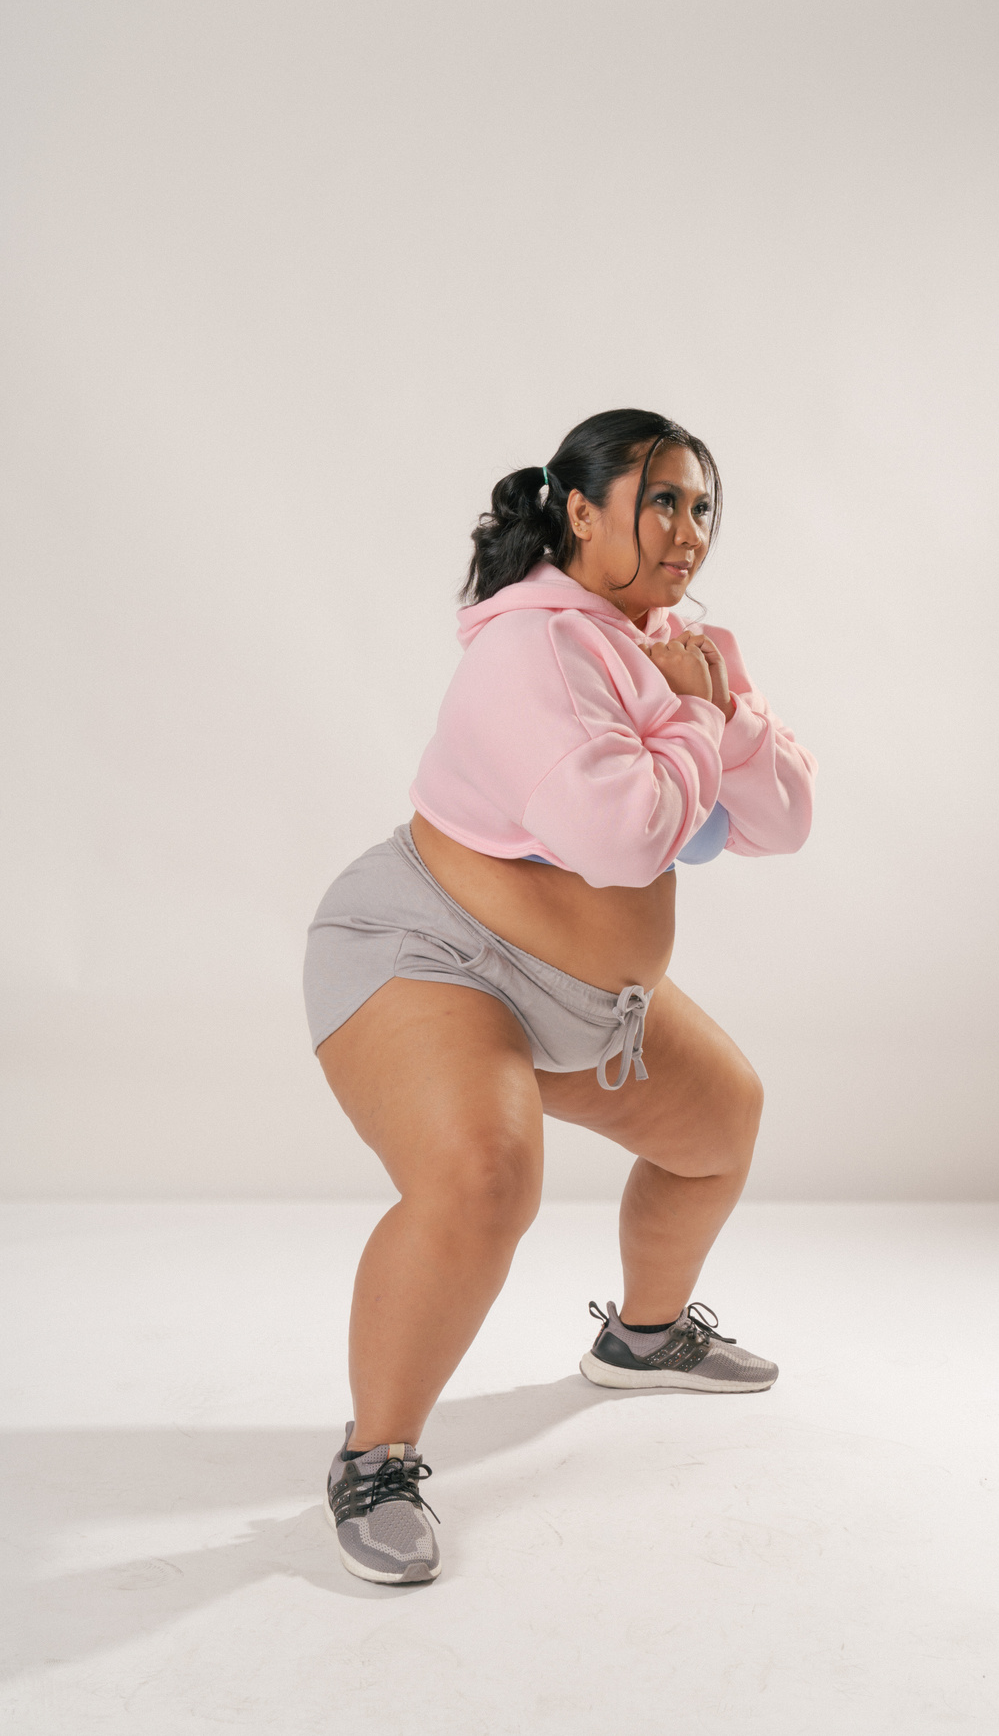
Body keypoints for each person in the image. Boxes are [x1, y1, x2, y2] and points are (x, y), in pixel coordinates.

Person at [303, 408, 817, 1585]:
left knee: (721, 1125)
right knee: (485, 1176)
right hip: (429, 952)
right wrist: (695, 714)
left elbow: (785, 820)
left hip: (590, 1004)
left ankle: (644, 1339)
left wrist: (719, 704)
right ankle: (372, 1457)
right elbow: (623, 838)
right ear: (579, 513)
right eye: (659, 501)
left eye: (700, 506)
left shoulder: (683, 642)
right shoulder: (531, 649)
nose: (686, 529)